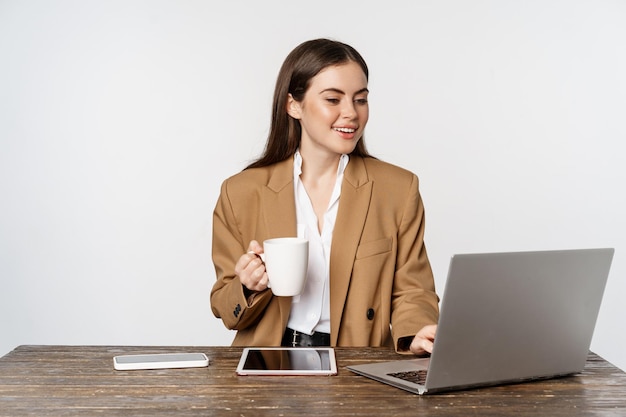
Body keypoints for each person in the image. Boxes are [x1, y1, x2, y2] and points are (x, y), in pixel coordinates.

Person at [210, 38, 439, 355]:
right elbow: (224, 306)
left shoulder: (398, 189)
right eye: (333, 99)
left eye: (360, 100)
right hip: (269, 361)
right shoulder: (241, 192)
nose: (351, 113)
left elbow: (413, 290)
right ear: (294, 105)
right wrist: (248, 285)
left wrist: (414, 334)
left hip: (358, 361)